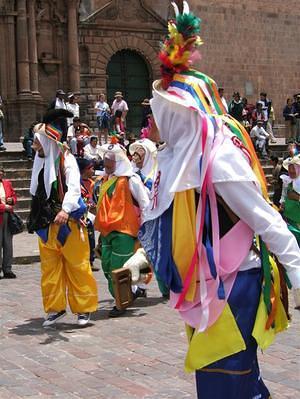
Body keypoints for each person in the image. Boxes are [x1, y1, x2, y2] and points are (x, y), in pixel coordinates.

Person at [124, 3, 300, 398]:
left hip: (234, 284)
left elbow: (265, 218)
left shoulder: (218, 158)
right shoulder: (176, 157)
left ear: (182, 112)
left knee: (229, 385)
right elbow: (167, 217)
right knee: (229, 382)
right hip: (205, 285)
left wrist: (297, 271)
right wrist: (143, 256)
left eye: (163, 109)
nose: (156, 117)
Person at [27, 108, 98, 327]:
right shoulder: (40, 162)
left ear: (46, 141)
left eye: (37, 142)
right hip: (46, 225)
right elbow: (37, 192)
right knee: (50, 268)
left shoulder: (65, 160)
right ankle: (55, 308)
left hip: (67, 223)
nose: (33, 145)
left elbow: (74, 187)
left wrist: (66, 209)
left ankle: (84, 309)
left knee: (77, 265)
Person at [94, 143, 149, 317]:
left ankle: (121, 302)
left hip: (124, 231)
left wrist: (147, 229)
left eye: (110, 159)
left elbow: (144, 203)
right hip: (106, 232)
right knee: (106, 266)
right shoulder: (106, 179)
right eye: (106, 158)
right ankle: (131, 292)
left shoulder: (131, 179)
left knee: (119, 269)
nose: (106, 161)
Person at [129, 138, 169, 298]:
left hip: (159, 218)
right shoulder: (132, 174)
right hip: (139, 220)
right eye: (135, 152)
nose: (136, 156)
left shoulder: (160, 172)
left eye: (141, 152)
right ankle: (140, 285)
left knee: (159, 254)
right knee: (141, 254)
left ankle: (166, 287)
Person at [77, 158, 99, 272]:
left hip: (90, 214)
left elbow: (94, 198)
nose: (93, 170)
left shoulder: (93, 184)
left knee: (91, 237)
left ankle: (90, 260)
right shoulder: (77, 183)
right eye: (91, 168)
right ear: (84, 170)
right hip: (80, 215)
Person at [279, 153, 300, 245]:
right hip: (289, 217)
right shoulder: (287, 181)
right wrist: (282, 203)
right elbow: (283, 194)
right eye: (290, 168)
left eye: (294, 168)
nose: (291, 171)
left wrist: (297, 198)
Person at [0, 168, 17, 279]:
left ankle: (7, 269)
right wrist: (3, 207)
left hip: (7, 216)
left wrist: (12, 200)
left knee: (7, 243)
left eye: (2, 171)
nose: (1, 173)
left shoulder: (7, 183)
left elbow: (14, 196)